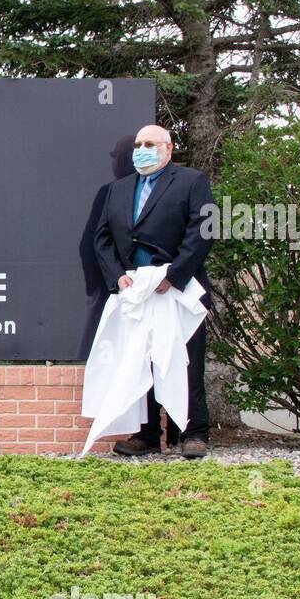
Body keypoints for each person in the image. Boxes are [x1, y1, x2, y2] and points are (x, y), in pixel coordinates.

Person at [92, 125, 215, 458]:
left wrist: (174, 276)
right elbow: (101, 239)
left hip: (178, 291)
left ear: (168, 148)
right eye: (137, 144)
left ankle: (195, 433)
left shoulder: (192, 182)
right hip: (135, 293)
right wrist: (118, 277)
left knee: (185, 360)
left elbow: (202, 231)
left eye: (149, 144)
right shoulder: (117, 190)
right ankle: (146, 435)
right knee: (140, 361)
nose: (142, 149)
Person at [78, 133, 136, 359]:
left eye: (119, 156)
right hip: (110, 288)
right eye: (115, 156)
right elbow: (92, 242)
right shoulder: (109, 192)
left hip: (148, 290)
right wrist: (102, 284)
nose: (116, 162)